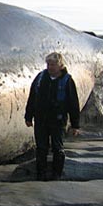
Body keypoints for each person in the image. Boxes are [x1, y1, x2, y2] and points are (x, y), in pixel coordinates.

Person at [24, 52, 80, 181]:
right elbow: (32, 97)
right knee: (41, 148)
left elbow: (73, 103)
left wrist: (75, 124)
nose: (50, 67)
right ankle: (41, 175)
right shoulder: (40, 78)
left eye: (53, 65)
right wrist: (28, 116)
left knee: (57, 148)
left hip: (58, 120)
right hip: (41, 119)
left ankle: (56, 175)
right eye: (48, 64)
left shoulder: (67, 80)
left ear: (60, 65)